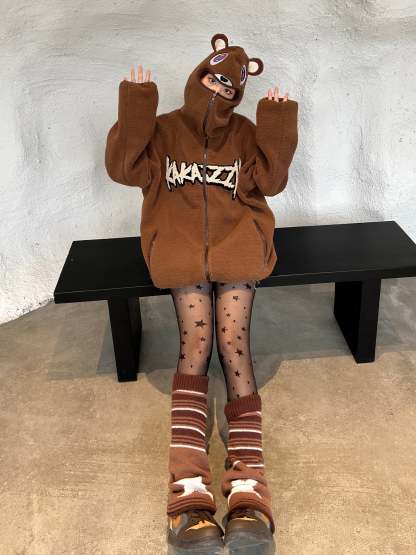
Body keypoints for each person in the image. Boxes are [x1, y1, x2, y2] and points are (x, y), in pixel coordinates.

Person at [105, 33, 298, 555]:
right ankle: (188, 492)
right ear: (198, 76)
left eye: (229, 88)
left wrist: (277, 124)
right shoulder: (163, 130)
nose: (218, 91)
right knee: (197, 343)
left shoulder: (245, 133)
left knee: (234, 346)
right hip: (180, 249)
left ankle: (249, 489)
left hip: (238, 246)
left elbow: (271, 182)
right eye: (212, 79)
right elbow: (124, 168)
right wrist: (137, 109)